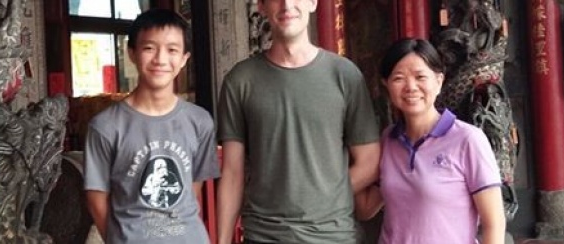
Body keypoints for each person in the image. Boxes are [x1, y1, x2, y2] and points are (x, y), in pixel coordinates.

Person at [216, 0, 382, 243]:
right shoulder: (240, 80)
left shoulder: (345, 75)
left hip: (332, 235)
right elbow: (232, 173)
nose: (287, 5)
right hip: (265, 235)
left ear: (313, 3)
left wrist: (322, 197)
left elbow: (370, 161)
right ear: (261, 6)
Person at [83, 8, 219, 244]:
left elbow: (191, 189)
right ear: (132, 53)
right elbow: (96, 199)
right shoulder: (104, 126)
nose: (160, 59)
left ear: (184, 59)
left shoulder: (200, 121)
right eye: (149, 48)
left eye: (172, 50)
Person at [353, 38, 506, 244]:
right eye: (398, 78)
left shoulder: (467, 140)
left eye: (420, 77)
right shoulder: (389, 140)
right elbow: (365, 209)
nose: (411, 87)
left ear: (439, 81)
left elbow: (494, 223)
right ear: (386, 85)